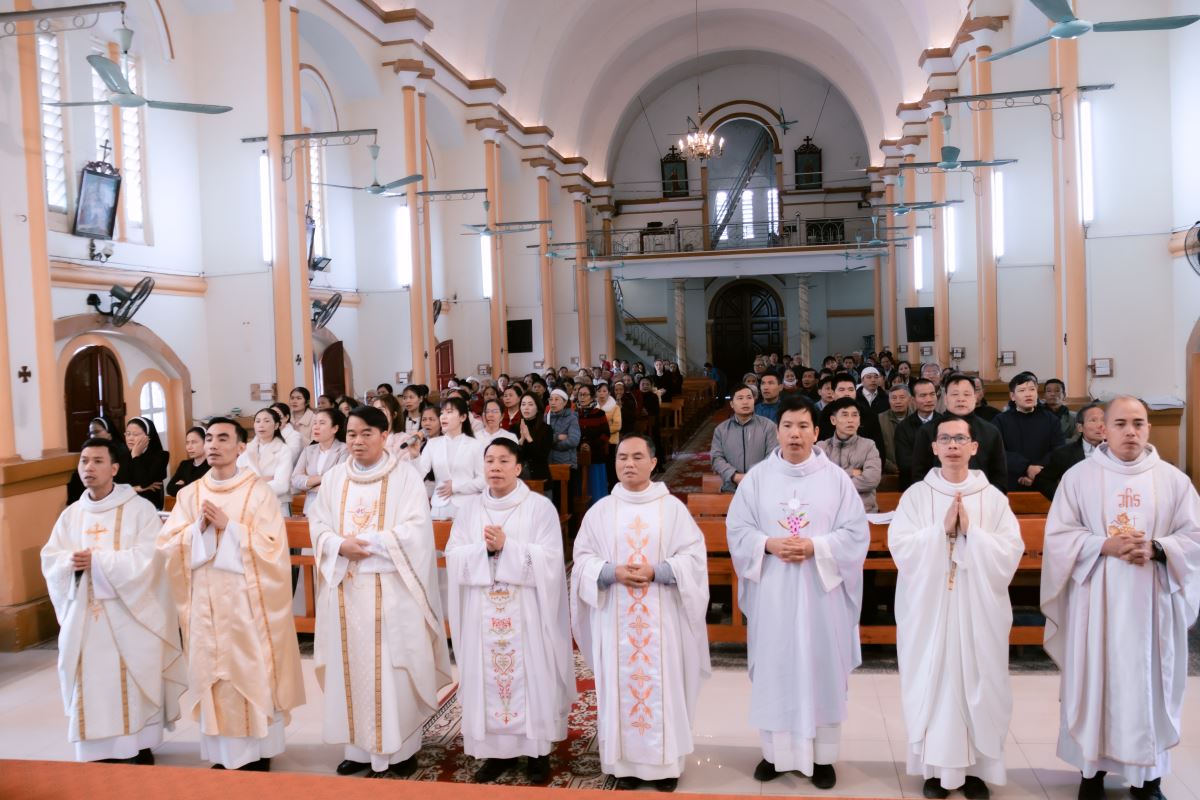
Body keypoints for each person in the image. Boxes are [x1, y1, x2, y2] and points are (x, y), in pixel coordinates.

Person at [1041, 396, 1200, 800]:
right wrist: (1102, 545)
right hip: (1096, 602)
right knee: (1095, 682)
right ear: (1103, 429)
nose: (1131, 431)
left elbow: (1195, 536)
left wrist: (1159, 548)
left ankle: (1149, 781)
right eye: (1121, 424)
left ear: (1149, 428)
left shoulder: (1173, 481)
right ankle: (1091, 774)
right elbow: (1058, 537)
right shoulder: (1078, 478)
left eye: (1139, 423)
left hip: (1153, 602)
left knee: (1151, 686)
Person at [726, 393, 869, 789]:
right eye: (787, 426)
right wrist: (768, 544)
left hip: (821, 595)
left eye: (803, 426)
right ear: (777, 432)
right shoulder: (757, 479)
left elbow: (856, 533)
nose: (795, 433)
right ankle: (776, 755)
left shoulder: (836, 480)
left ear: (816, 432)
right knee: (777, 667)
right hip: (773, 591)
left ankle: (822, 758)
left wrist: (815, 547)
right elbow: (738, 529)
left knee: (820, 668)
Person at [307, 405, 452, 778]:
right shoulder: (335, 478)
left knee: (393, 671)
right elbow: (318, 523)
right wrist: (339, 545)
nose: (357, 441)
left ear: (385, 435)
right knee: (350, 671)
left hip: (393, 592)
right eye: (351, 434)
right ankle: (357, 749)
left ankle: (401, 750)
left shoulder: (405, 478)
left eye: (366, 433)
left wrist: (366, 544)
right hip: (346, 590)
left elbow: (416, 532)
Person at [157, 418, 305, 770]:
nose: (213, 445)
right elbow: (167, 545)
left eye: (223, 438)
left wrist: (230, 528)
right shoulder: (190, 495)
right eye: (209, 438)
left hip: (246, 605)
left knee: (248, 672)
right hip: (204, 604)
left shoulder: (258, 493)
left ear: (241, 448)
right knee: (212, 674)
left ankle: (257, 751)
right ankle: (224, 753)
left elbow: (273, 549)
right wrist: (196, 531)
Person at [888, 416, 1023, 799]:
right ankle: (935, 770)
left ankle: (977, 771)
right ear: (933, 447)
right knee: (935, 681)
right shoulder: (917, 495)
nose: (952, 445)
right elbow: (900, 546)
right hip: (930, 610)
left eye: (960, 439)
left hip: (979, 610)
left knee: (981, 681)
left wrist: (971, 534)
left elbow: (1010, 551)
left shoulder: (992, 498)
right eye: (944, 438)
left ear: (974, 447)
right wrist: (940, 532)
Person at [571, 435, 710, 791]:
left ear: (653, 462)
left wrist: (658, 571)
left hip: (662, 616)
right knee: (619, 688)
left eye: (637, 457)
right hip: (615, 616)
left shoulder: (672, 509)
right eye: (622, 457)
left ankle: (666, 767)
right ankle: (625, 766)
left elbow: (694, 559)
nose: (629, 464)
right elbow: (582, 560)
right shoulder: (601, 511)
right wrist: (610, 572)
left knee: (665, 686)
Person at [41, 438, 186, 764]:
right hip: (84, 616)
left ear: (115, 468)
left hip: (130, 614)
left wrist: (100, 562)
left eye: (97, 461)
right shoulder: (72, 515)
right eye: (84, 461)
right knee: (90, 680)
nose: (88, 468)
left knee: (132, 676)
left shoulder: (139, 510)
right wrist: (68, 563)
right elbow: (51, 558)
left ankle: (138, 744)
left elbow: (152, 557)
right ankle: (96, 750)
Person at [446, 439, 574, 784]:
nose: (495, 467)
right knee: (487, 679)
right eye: (489, 460)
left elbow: (552, 560)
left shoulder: (539, 508)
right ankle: (495, 754)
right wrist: (484, 552)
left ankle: (537, 754)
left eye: (504, 461)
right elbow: (453, 555)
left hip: (527, 611)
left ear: (518, 468)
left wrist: (508, 547)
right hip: (481, 612)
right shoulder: (470, 509)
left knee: (532, 676)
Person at [911, 375, 1007, 494]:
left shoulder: (991, 431)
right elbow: (919, 474)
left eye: (966, 394)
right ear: (945, 399)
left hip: (981, 499)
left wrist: (988, 499)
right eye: (955, 394)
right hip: (938, 498)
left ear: (975, 398)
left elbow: (999, 475)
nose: (961, 399)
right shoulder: (927, 430)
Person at [415, 397, 486, 520]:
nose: (443, 416)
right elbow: (417, 476)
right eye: (442, 413)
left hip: (468, 506)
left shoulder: (476, 445)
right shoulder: (432, 444)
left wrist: (456, 487)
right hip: (439, 507)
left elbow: (483, 480)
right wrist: (414, 456)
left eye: (449, 412)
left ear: (463, 417)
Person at [993, 372, 1065, 491]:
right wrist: (1026, 468)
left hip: (1045, 479)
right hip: (1011, 481)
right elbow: (997, 452)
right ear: (1012, 396)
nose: (1028, 394)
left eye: (1032, 389)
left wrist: (1037, 471)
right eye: (1022, 390)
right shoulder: (1000, 420)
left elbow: (1059, 450)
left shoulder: (1051, 420)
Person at [816, 397, 882, 512]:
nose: (850, 420)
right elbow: (818, 480)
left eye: (854, 415)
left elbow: (872, 479)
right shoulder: (822, 447)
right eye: (845, 415)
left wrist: (835, 481)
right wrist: (854, 472)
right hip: (830, 511)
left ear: (859, 420)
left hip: (863, 510)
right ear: (833, 420)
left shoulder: (869, 445)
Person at [710, 384, 779, 493]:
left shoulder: (768, 426)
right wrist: (734, 476)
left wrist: (752, 476)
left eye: (749, 397)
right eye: (740, 398)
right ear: (732, 404)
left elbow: (773, 456)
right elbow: (716, 458)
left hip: (762, 487)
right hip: (731, 487)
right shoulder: (721, 430)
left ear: (754, 401)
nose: (745, 402)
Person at [1034, 402, 1105, 501]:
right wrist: (1064, 499)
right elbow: (1042, 481)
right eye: (1093, 420)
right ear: (1080, 427)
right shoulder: (1064, 454)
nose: (1101, 425)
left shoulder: (1118, 452)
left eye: (1104, 420)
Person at [238, 407, 296, 516]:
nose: (261, 425)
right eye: (258, 421)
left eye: (266, 421)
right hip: (251, 506)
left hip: (276, 505)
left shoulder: (283, 449)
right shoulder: (247, 449)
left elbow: (282, 485)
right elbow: (237, 479)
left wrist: (250, 483)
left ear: (276, 425)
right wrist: (265, 479)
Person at [290, 407, 349, 513]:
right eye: (315, 423)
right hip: (310, 507)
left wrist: (309, 486)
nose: (316, 427)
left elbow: (338, 480)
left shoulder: (344, 449)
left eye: (322, 423)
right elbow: (295, 479)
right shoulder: (308, 450)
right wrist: (322, 478)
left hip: (333, 507)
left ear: (335, 428)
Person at [818, 373, 885, 459]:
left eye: (851, 390)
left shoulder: (868, 414)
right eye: (841, 390)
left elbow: (879, 450)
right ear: (833, 394)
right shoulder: (824, 415)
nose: (847, 394)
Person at [67, 417, 133, 504]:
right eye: (91, 433)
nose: (93, 436)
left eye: (96, 432)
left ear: (109, 433)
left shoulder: (122, 452)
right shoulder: (88, 451)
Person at [897, 379, 942, 490]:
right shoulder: (903, 427)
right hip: (912, 485)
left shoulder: (945, 423)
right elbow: (904, 463)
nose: (929, 399)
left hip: (941, 484)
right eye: (923, 395)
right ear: (913, 400)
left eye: (932, 394)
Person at [574, 384, 610, 506]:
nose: (582, 397)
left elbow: (605, 435)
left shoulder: (599, 413)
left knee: (596, 489)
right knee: (579, 488)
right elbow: (571, 433)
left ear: (592, 397)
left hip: (596, 454)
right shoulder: (574, 414)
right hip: (577, 455)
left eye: (585, 395)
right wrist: (581, 445)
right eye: (580, 395)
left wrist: (590, 445)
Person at [125, 417, 170, 510]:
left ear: (148, 436)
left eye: (135, 434)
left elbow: (144, 482)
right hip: (125, 506)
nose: (130, 438)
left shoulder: (161, 456)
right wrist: (137, 488)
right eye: (128, 434)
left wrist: (135, 456)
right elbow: (115, 487)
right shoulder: (122, 457)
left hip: (150, 507)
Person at [168, 426, 211, 497]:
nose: (189, 447)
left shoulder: (212, 465)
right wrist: (191, 487)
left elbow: (205, 491)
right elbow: (170, 488)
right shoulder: (184, 465)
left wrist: (183, 485)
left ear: (205, 442)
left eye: (194, 442)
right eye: (187, 443)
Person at [879, 384, 912, 475]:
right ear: (889, 401)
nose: (898, 401)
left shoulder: (916, 419)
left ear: (910, 399)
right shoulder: (879, 420)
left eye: (902, 397)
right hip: (887, 472)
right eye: (893, 398)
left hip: (912, 471)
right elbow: (875, 448)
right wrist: (889, 465)